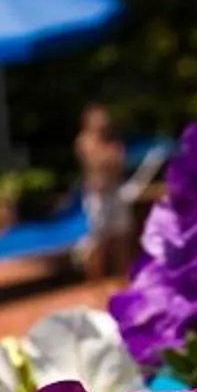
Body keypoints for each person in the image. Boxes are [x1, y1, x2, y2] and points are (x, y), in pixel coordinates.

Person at [75, 105, 134, 278]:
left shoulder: (114, 142)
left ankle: (123, 278)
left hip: (115, 193)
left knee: (121, 239)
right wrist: (109, 158)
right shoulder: (84, 141)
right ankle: (95, 282)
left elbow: (119, 164)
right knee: (98, 241)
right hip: (98, 197)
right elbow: (97, 161)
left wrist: (110, 159)